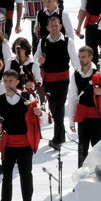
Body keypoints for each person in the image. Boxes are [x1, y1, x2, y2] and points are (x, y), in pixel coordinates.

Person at [0, 69, 42, 201]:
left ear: (17, 82)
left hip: (25, 143)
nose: (7, 84)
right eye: (5, 81)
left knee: (26, 174)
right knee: (6, 178)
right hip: (8, 144)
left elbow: (40, 118)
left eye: (10, 81)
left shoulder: (27, 97)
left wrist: (39, 112)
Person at [33, 14, 80, 150]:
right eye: (51, 26)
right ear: (47, 28)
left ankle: (57, 137)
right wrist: (39, 60)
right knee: (53, 108)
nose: (54, 28)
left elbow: (75, 62)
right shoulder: (43, 42)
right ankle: (60, 135)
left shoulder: (67, 41)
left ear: (60, 26)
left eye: (56, 26)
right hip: (48, 80)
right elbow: (35, 59)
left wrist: (78, 77)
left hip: (63, 80)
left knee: (59, 107)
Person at [66, 46, 101, 168]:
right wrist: (71, 119)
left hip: (97, 116)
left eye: (83, 57)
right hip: (83, 117)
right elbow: (72, 98)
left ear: (91, 57)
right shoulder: (75, 74)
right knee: (82, 149)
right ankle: (81, 177)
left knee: (99, 149)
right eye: (79, 57)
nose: (80, 59)